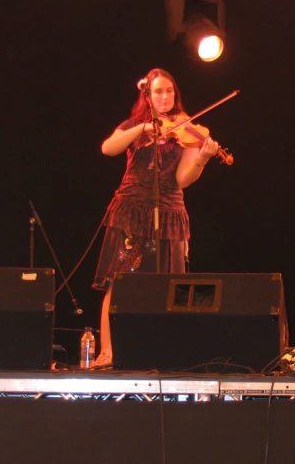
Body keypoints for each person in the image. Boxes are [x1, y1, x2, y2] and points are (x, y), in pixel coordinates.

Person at [92, 68, 219, 367]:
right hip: (132, 211)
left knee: (168, 287)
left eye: (169, 91)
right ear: (147, 95)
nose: (164, 97)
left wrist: (201, 158)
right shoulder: (135, 125)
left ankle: (164, 353)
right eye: (158, 91)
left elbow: (183, 179)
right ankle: (107, 352)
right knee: (118, 283)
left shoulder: (186, 128)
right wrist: (143, 129)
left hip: (170, 213)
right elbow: (108, 148)